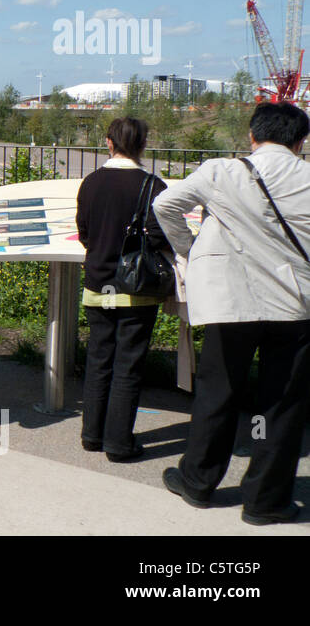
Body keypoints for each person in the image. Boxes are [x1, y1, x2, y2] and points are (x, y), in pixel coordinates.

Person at [153, 102, 310, 525]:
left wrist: (192, 251)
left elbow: (165, 206)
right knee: (282, 404)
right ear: (300, 141)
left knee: (217, 392)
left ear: (252, 136)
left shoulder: (221, 171)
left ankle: (198, 481)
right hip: (295, 305)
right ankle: (265, 501)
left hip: (230, 302)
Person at [75, 117, 170, 462]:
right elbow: (160, 236)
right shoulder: (153, 186)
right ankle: (118, 443)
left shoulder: (91, 182)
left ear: (109, 143)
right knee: (127, 365)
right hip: (136, 289)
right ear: (143, 146)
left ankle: (91, 435)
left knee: (99, 360)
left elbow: (84, 233)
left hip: (98, 285)